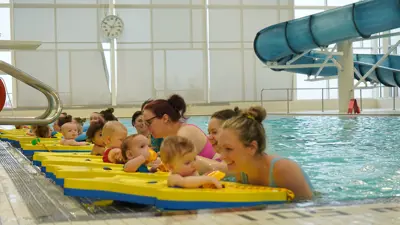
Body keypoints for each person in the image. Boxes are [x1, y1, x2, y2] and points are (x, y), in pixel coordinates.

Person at [218, 106, 314, 200]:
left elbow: (311, 206)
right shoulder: (241, 171)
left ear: (252, 147)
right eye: (220, 148)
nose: (222, 156)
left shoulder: (284, 170)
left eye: (228, 149)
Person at [142, 94, 219, 160]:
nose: (146, 127)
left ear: (165, 118)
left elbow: (184, 164)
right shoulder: (168, 137)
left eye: (149, 122)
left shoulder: (185, 132)